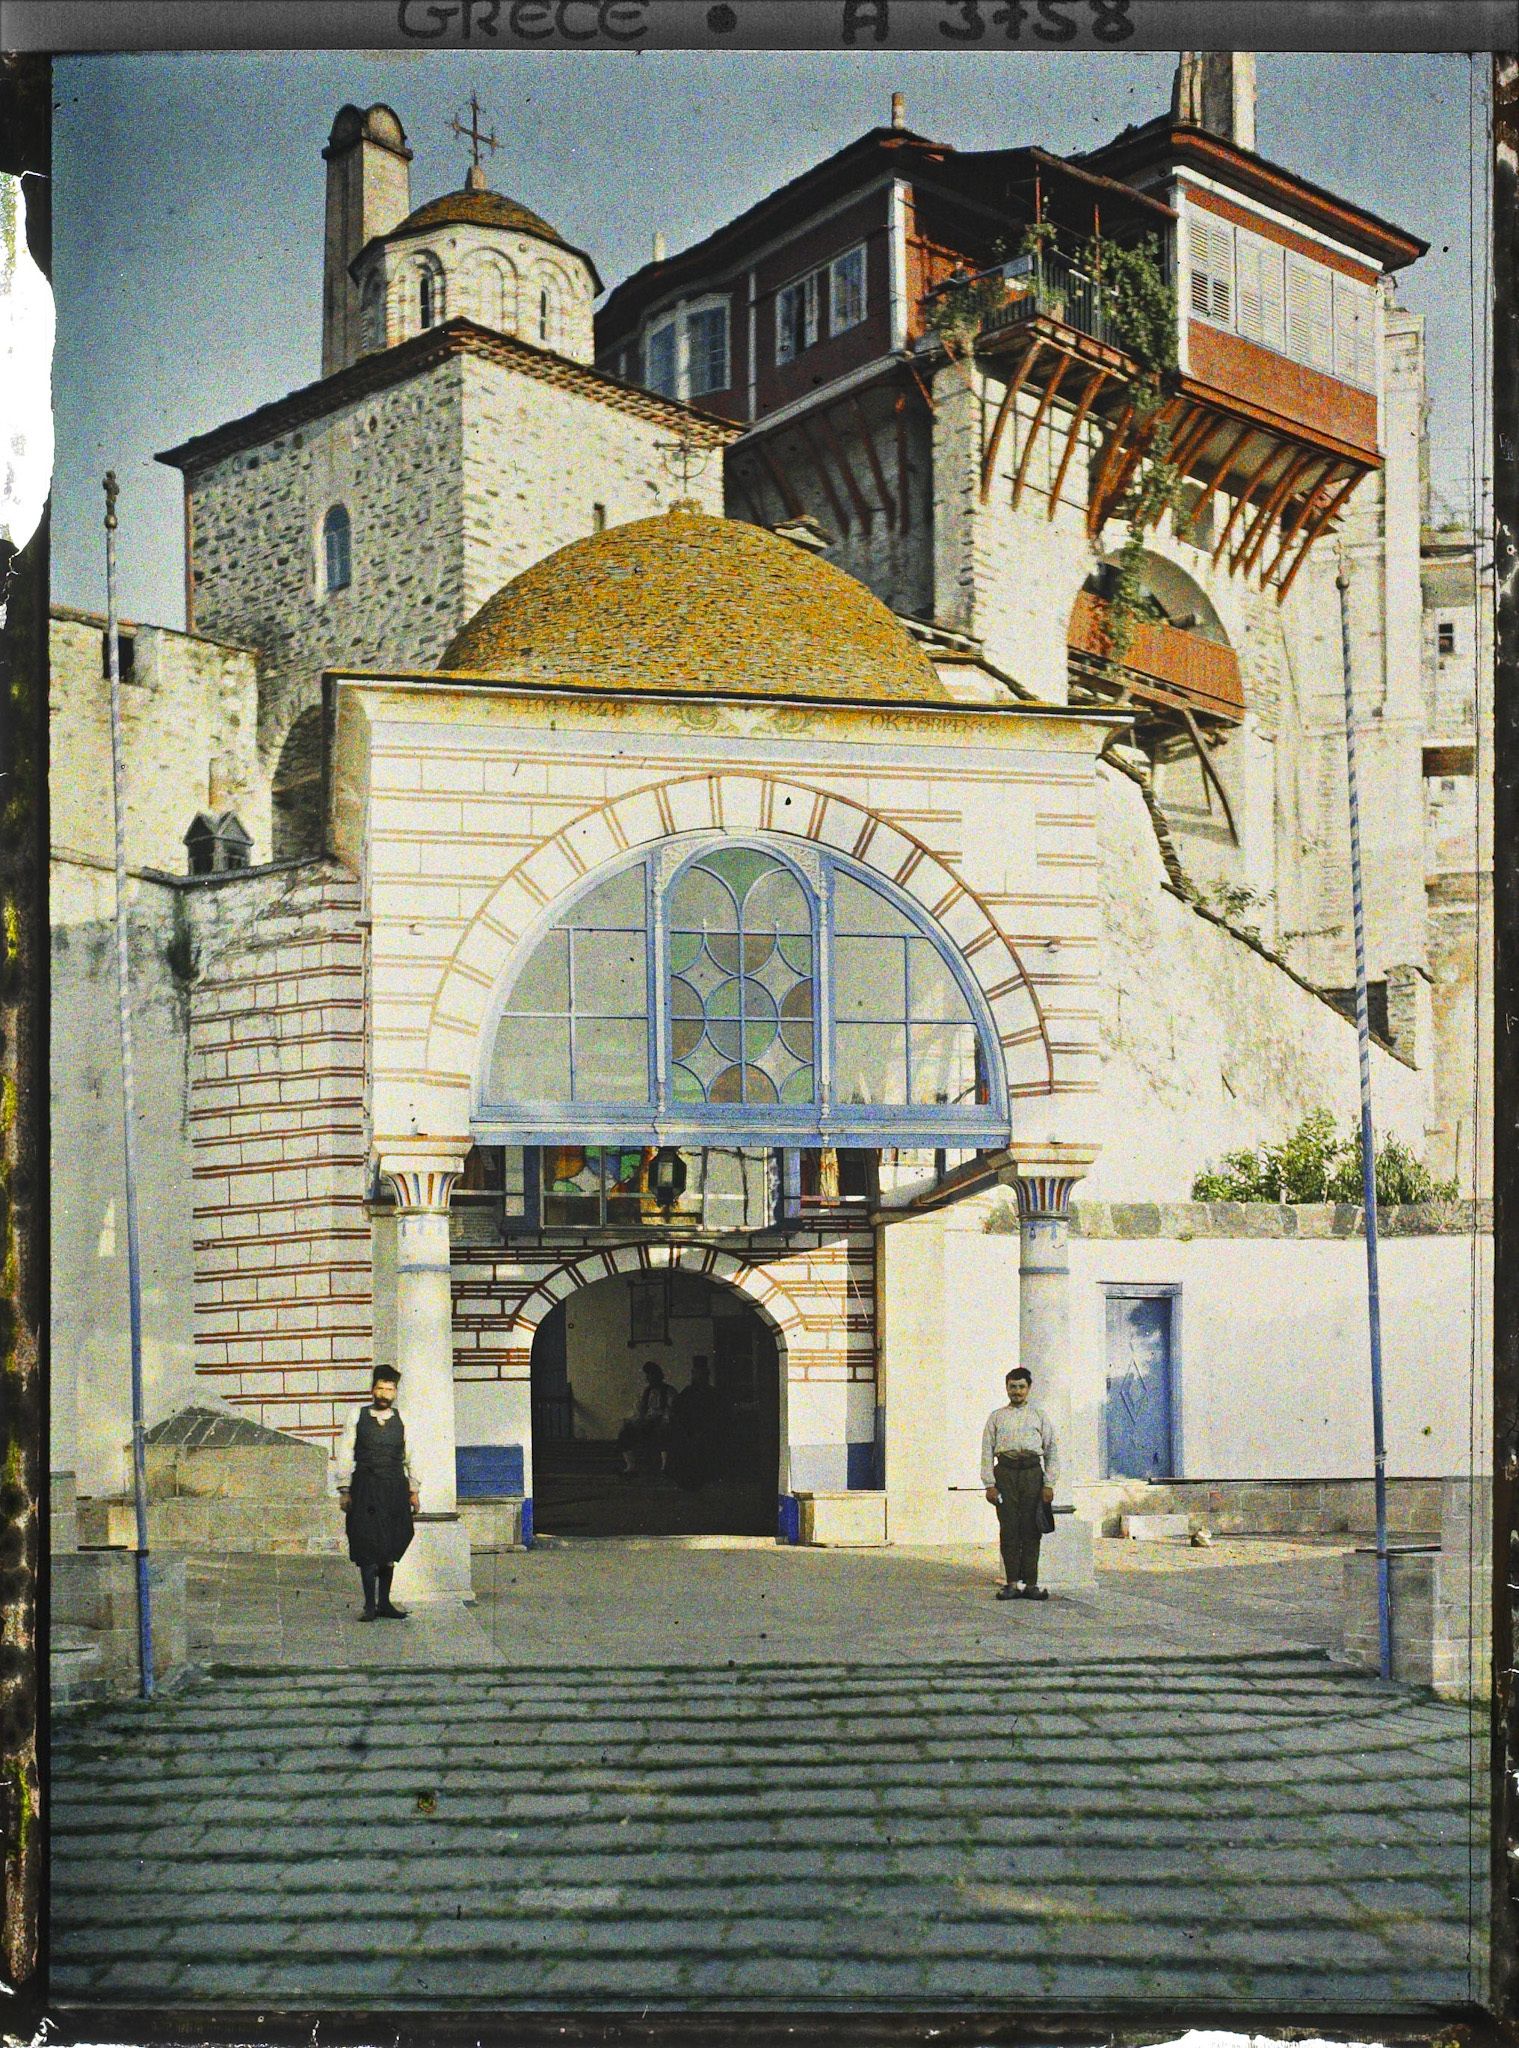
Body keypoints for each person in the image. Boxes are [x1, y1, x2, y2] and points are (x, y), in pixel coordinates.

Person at [339, 1366, 418, 1620]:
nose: (385, 1394)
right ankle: (369, 1606)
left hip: (394, 1488)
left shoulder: (403, 1418)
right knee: (366, 1544)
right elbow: (345, 1452)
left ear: (395, 1392)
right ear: (373, 1389)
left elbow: (412, 1457)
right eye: (381, 1388)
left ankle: (384, 1602)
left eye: (390, 1389)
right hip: (365, 1487)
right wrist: (344, 1489)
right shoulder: (356, 1416)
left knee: (390, 1544)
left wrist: (414, 1490)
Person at [980, 1366, 1058, 1603]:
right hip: (1005, 1474)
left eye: (1021, 1387)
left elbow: (1052, 1450)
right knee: (1009, 1529)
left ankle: (1031, 1585)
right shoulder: (996, 1417)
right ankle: (1011, 1584)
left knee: (1032, 1529)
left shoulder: (1039, 1416)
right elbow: (986, 1452)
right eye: (1012, 1387)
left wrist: (1049, 1484)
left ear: (1029, 1389)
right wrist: (989, 1484)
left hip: (1032, 1475)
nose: (1017, 1391)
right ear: (1006, 1388)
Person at [665, 1357, 726, 1492]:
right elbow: (677, 1410)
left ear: (706, 1375)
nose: (697, 1376)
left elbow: (717, 1416)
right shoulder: (687, 1392)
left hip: (706, 1432)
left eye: (700, 1373)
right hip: (687, 1431)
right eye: (695, 1373)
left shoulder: (713, 1394)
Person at [617, 1359, 674, 1477]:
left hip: (661, 1421)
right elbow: (640, 1410)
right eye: (647, 1375)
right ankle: (631, 1466)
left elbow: (672, 1410)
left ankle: (665, 1467)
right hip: (647, 1422)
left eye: (651, 1375)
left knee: (663, 1431)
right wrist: (632, 1421)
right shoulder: (646, 1392)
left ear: (658, 1376)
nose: (648, 1378)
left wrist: (664, 1420)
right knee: (625, 1431)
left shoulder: (669, 1391)